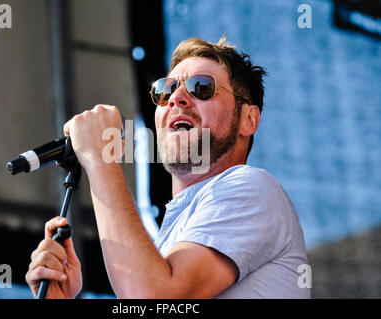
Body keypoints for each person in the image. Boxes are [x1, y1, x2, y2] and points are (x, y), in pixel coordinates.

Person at [25, 37, 310, 299]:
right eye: (166, 90)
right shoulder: (168, 249)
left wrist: (101, 159)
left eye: (201, 87)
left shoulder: (252, 187)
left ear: (249, 119)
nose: (176, 98)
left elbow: (154, 298)